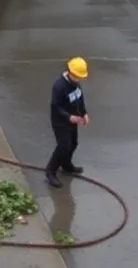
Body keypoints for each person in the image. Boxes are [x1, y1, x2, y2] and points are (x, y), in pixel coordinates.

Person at [45, 57, 89, 188]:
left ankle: (66, 164)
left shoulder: (76, 84)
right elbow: (55, 106)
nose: (79, 79)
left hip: (73, 119)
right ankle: (50, 171)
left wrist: (84, 113)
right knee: (63, 146)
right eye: (77, 76)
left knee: (73, 143)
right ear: (69, 72)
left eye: (80, 77)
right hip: (60, 122)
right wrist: (68, 117)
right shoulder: (59, 86)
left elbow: (80, 99)